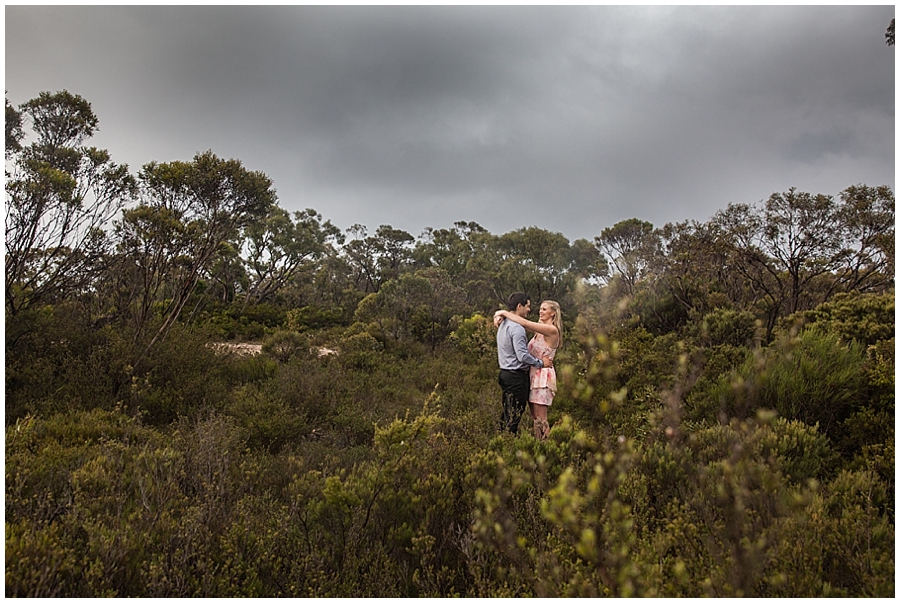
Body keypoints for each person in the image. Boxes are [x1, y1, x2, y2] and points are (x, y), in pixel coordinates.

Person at [494, 299, 561, 441]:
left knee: (541, 418)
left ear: (553, 313)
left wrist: (503, 312)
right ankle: (539, 445)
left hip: (542, 376)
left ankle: (547, 446)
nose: (540, 311)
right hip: (532, 374)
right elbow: (519, 321)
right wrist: (502, 316)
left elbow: (523, 323)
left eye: (544, 309)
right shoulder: (539, 329)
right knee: (535, 417)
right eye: (540, 309)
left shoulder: (551, 330)